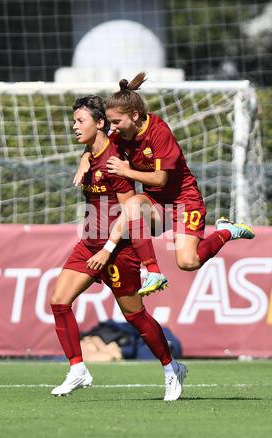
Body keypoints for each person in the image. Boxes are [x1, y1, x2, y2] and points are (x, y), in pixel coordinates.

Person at [50, 95, 187, 400]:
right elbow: (91, 154)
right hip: (89, 243)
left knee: (135, 317)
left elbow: (130, 212)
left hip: (117, 250)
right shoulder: (90, 152)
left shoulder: (114, 159)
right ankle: (77, 369)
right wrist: (85, 157)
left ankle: (170, 366)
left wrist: (107, 250)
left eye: (79, 121)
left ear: (99, 124)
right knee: (59, 302)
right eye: (74, 121)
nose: (74, 126)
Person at [80, 72, 254, 288]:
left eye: (116, 122)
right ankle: (153, 272)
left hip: (184, 201)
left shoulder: (159, 133)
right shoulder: (120, 134)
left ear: (135, 115)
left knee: (188, 262)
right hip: (157, 205)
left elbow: (160, 179)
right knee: (133, 205)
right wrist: (85, 157)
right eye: (110, 122)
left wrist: (126, 171)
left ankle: (226, 231)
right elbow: (99, 144)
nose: (112, 127)